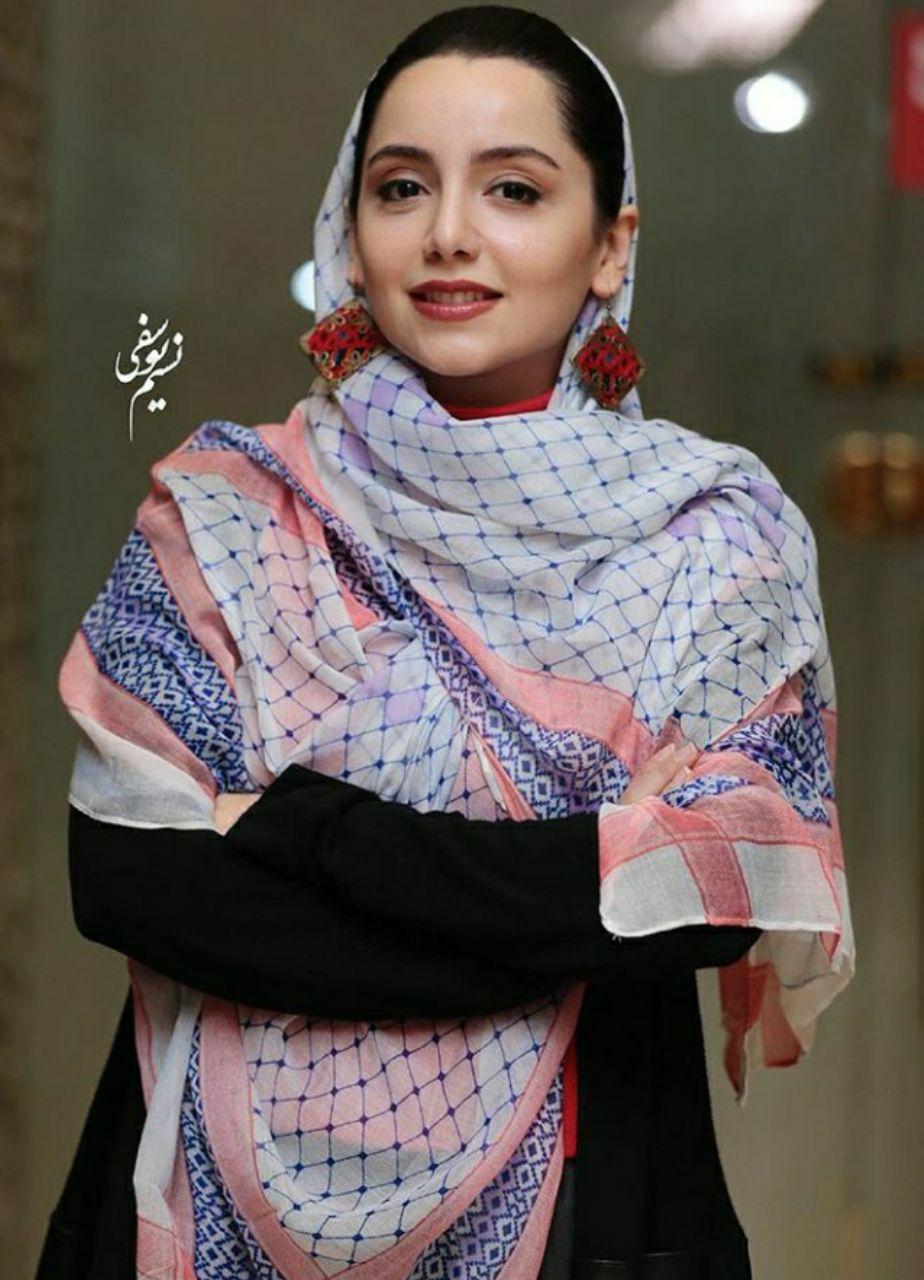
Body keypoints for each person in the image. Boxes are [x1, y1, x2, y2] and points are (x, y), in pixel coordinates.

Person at [37, 7, 855, 1279]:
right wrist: (580, 872)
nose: (448, 234)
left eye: (514, 188)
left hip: (591, 1194)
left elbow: (710, 895)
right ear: (349, 231)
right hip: (202, 1182)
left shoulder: (713, 537)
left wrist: (299, 828)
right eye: (402, 186)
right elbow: (132, 876)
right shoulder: (227, 508)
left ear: (609, 243)